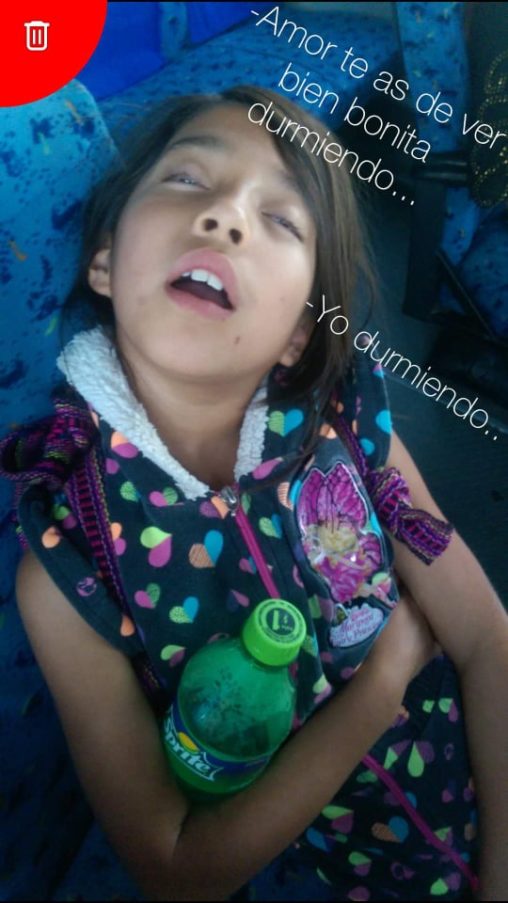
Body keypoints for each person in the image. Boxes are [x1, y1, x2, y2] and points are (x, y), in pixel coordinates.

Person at [1, 85, 507, 902]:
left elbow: (487, 639)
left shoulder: (351, 429)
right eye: (186, 179)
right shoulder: (69, 567)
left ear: (300, 330)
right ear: (103, 258)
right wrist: (381, 684)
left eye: (281, 219)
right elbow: (176, 868)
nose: (226, 216)